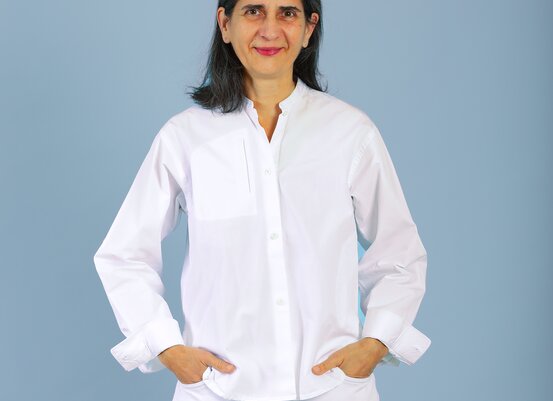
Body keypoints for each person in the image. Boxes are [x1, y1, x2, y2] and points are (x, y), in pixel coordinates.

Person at [93, 1, 432, 400]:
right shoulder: (185, 139)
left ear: (309, 28)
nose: (270, 29)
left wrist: (376, 342)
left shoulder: (350, 133)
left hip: (331, 389)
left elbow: (399, 251)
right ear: (225, 24)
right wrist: (165, 346)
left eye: (287, 13)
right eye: (254, 11)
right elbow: (124, 256)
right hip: (219, 390)